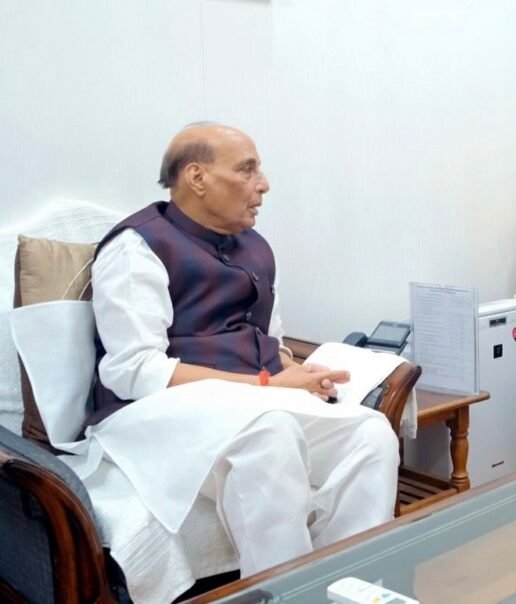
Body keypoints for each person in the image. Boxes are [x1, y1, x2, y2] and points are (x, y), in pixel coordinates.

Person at [85, 122, 400, 577]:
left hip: (251, 402)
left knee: (370, 434)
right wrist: (267, 385)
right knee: (269, 431)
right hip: (151, 414)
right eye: (247, 170)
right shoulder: (137, 247)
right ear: (197, 177)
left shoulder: (254, 247)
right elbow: (134, 371)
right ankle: (285, 593)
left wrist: (297, 372)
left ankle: (345, 586)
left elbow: (269, 340)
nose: (263, 184)